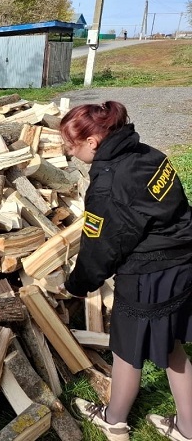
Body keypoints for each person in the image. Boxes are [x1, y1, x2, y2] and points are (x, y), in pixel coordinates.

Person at [60, 102, 192, 441]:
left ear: (92, 142)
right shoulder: (148, 154)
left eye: (70, 146)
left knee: (126, 352)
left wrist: (78, 285)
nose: (68, 153)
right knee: (172, 346)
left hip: (148, 275)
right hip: (184, 264)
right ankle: (188, 428)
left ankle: (114, 421)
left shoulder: (107, 185)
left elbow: (100, 248)